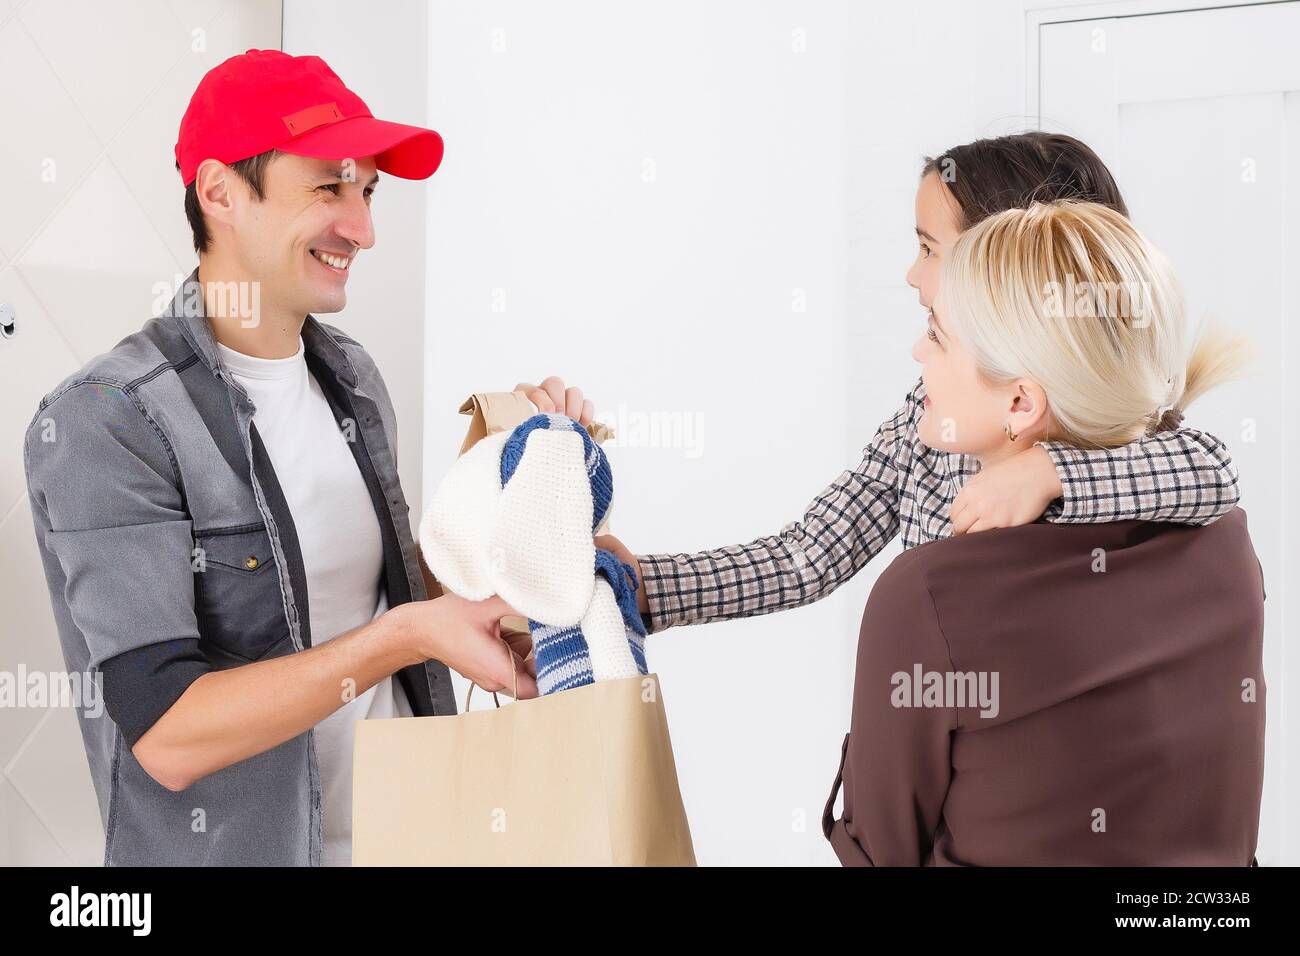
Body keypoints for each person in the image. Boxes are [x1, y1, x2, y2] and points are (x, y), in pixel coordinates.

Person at [22, 49, 588, 866]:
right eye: (328, 187)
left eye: (366, 191)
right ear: (219, 192)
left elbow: (386, 596)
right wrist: (403, 638)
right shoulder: (109, 419)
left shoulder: (351, 376)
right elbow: (169, 734)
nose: (362, 228)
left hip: (410, 845)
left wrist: (526, 491)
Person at [596, 133, 1241, 633]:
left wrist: (1050, 472)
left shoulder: (1105, 418)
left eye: (930, 248)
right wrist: (644, 585)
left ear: (1008, 263)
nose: (912, 274)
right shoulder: (927, 418)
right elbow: (811, 554)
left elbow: (1209, 467)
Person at [822, 200, 1264, 866]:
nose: (917, 351)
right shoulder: (1228, 544)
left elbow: (879, 854)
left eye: (937, 335)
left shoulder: (928, 596)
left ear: (1021, 403)